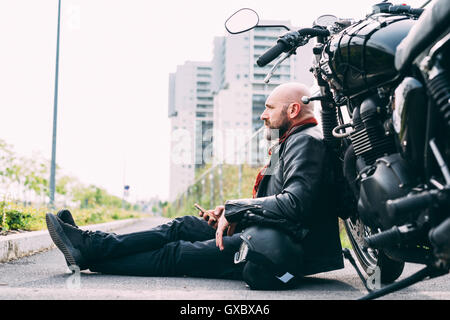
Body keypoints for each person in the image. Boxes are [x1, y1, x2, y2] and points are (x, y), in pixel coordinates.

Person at [46, 82, 344, 290]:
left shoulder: (306, 142)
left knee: (176, 253)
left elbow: (297, 204)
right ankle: (93, 245)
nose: (263, 115)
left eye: (269, 108)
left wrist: (235, 209)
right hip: (267, 232)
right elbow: (273, 200)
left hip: (281, 250)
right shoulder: (289, 142)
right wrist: (229, 214)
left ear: (293, 110)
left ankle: (93, 255)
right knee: (180, 226)